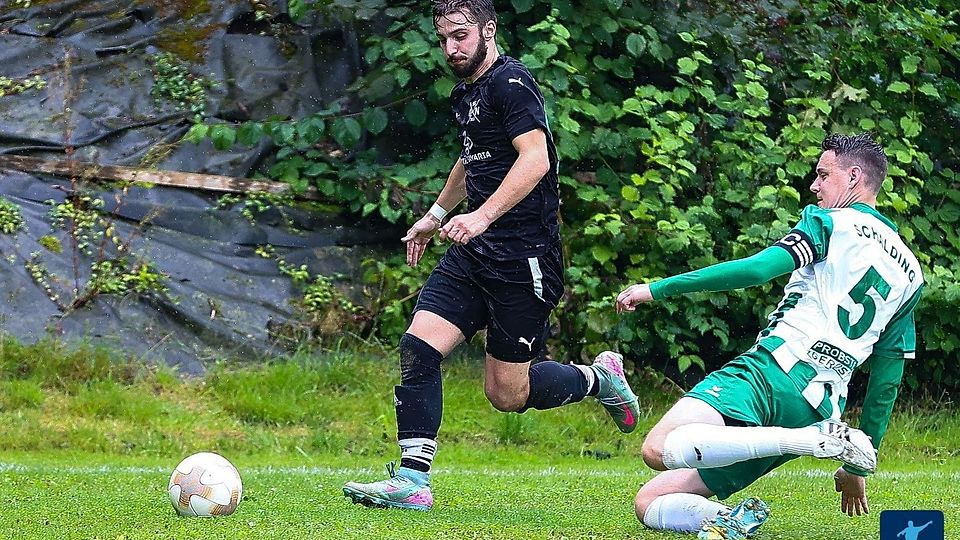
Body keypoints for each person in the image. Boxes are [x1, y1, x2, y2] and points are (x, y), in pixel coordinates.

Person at [342, 0, 640, 511]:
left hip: (524, 261)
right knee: (418, 347)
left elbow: (535, 159)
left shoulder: (511, 83)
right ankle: (413, 482)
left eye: (460, 35)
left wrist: (481, 216)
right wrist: (436, 214)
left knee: (507, 395)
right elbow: (471, 157)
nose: (451, 48)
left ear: (488, 30)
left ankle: (599, 378)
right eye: (443, 38)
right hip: (473, 255)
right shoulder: (467, 92)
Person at [617, 133, 923, 540]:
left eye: (823, 174)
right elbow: (888, 376)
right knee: (651, 501)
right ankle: (729, 520)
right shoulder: (911, 271)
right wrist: (857, 464)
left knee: (658, 447)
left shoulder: (830, 222)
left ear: (853, 176)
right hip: (817, 407)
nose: (814, 186)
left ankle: (804, 441)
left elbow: (756, 270)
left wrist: (657, 289)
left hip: (774, 371)